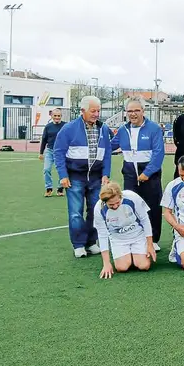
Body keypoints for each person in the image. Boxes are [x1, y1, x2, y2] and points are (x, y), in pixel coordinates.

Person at [54, 96, 114, 258]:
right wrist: (63, 175)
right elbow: (58, 153)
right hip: (75, 177)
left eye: (98, 111)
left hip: (96, 177)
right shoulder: (68, 129)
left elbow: (107, 153)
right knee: (75, 212)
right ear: (83, 111)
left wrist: (106, 174)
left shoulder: (103, 129)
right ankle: (78, 244)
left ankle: (91, 242)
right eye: (93, 111)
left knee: (95, 210)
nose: (96, 114)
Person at [110, 97, 166, 251]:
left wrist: (147, 172)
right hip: (129, 174)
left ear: (143, 111)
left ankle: (154, 240)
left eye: (136, 110)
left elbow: (159, 153)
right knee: (131, 206)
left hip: (150, 174)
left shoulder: (154, 129)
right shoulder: (123, 130)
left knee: (152, 206)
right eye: (129, 111)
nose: (133, 114)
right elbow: (110, 146)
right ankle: (137, 238)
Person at [93, 181, 157, 278]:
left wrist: (150, 245)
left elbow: (145, 220)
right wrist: (106, 263)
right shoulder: (99, 208)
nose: (115, 206)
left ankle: (136, 255)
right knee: (122, 268)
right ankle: (129, 256)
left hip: (138, 235)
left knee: (144, 266)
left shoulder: (132, 197)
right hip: (118, 239)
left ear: (120, 196)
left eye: (117, 203)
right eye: (111, 205)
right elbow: (102, 235)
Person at [39, 108, 67, 197]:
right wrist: (41, 153)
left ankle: (60, 188)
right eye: (55, 116)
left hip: (62, 152)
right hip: (50, 151)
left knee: (61, 171)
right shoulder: (48, 127)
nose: (57, 117)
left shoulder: (66, 126)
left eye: (59, 116)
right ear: (51, 116)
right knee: (46, 169)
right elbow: (44, 140)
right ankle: (49, 188)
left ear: (61, 116)